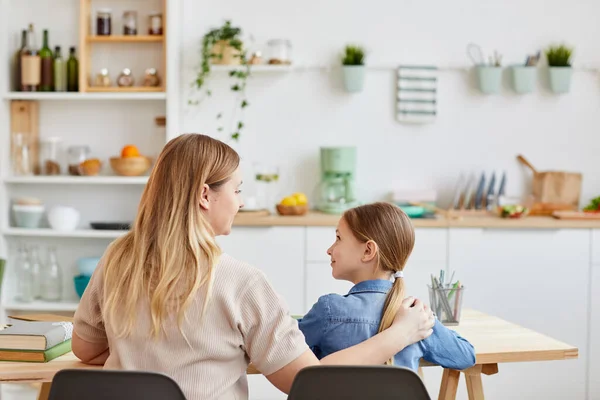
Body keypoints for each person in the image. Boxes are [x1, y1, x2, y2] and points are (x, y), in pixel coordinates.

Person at [72, 134, 435, 400]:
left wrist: (143, 354)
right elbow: (309, 383)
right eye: (237, 190)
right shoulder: (240, 283)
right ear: (204, 195)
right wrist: (400, 334)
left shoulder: (117, 258)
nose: (241, 203)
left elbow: (84, 349)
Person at [298, 202, 476, 371]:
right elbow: (466, 356)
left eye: (338, 238)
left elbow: (285, 345)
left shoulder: (328, 310)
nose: (329, 250)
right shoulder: (417, 317)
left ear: (368, 251)